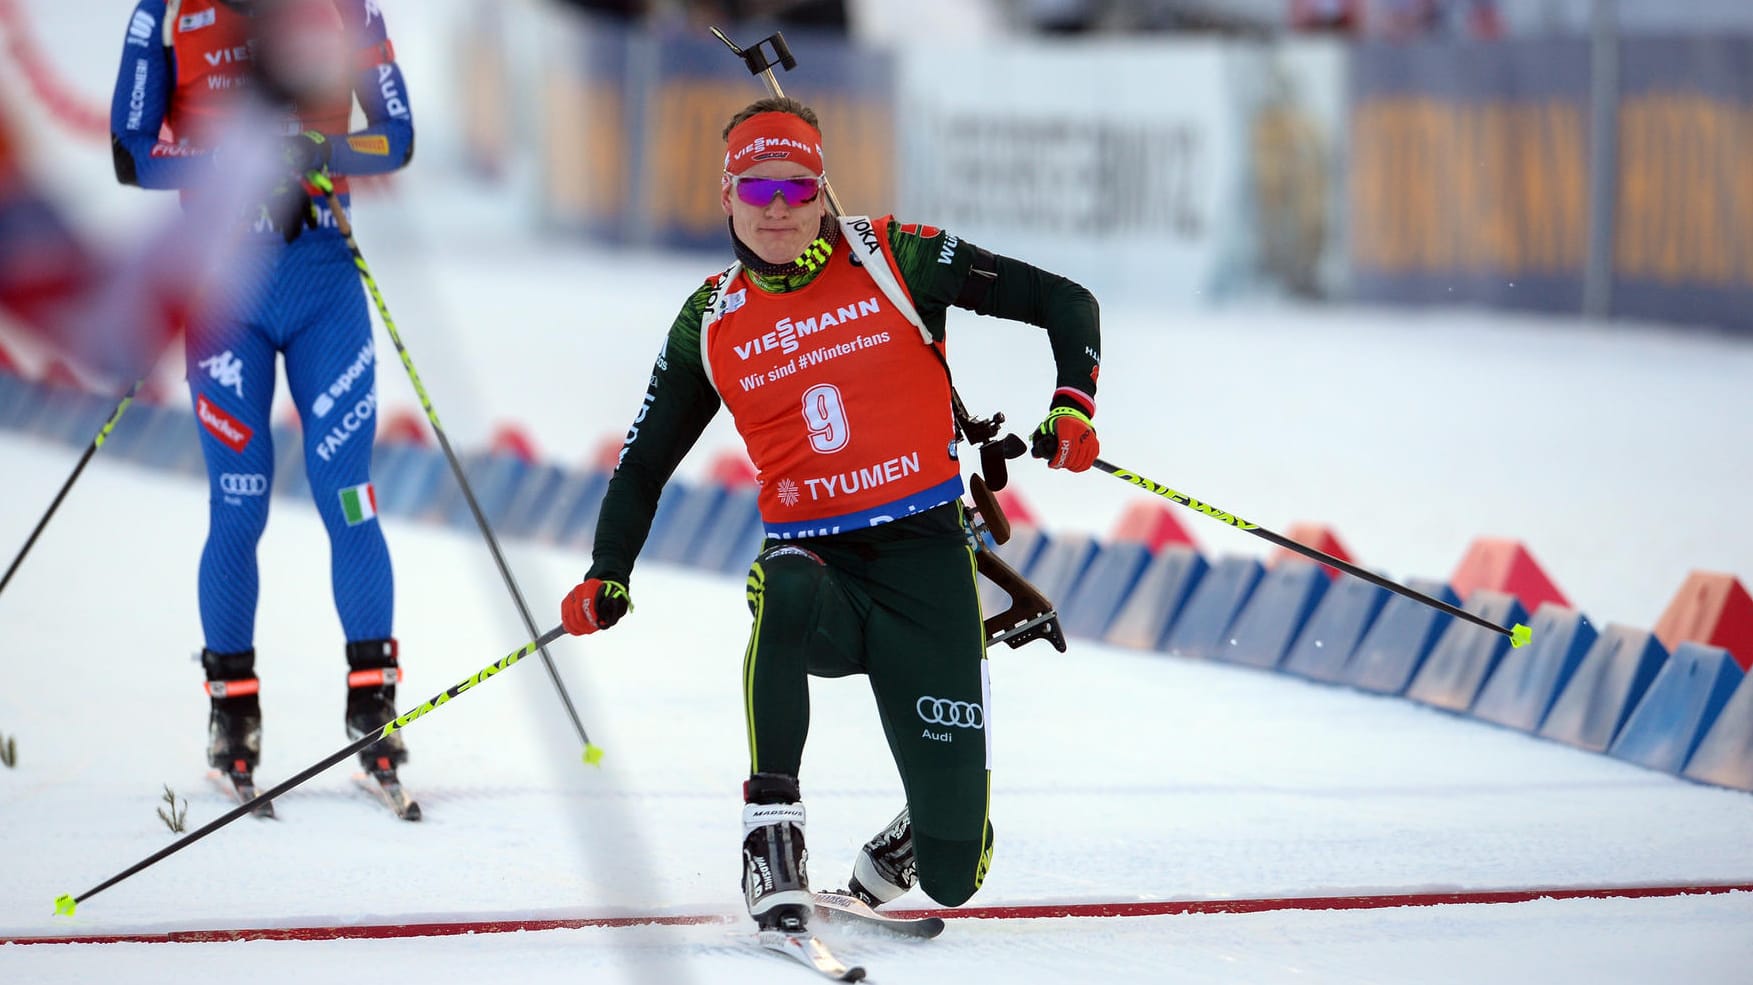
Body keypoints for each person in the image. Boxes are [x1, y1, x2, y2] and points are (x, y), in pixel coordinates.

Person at [559, 96, 1102, 931]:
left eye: (796, 187)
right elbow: (642, 465)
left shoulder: (897, 257)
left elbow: (1065, 301)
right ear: (725, 194)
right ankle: (771, 835)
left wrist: (1071, 405)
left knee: (956, 872)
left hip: (926, 564)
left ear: (821, 190)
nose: (776, 209)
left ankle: (919, 829)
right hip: (816, 576)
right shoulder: (709, 320)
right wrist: (609, 570)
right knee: (784, 585)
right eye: (757, 188)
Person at [108, 0, 416, 796]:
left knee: (347, 494)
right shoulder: (167, 14)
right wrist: (227, 162)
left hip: (323, 281)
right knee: (238, 504)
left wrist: (318, 146)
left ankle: (373, 707)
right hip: (222, 292)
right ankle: (233, 714)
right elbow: (131, 153)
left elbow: (398, 136)